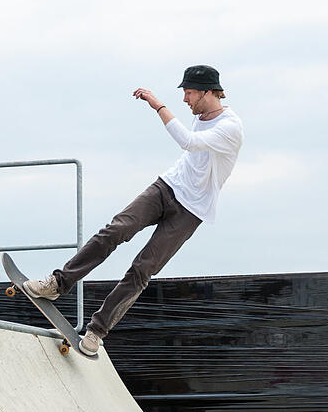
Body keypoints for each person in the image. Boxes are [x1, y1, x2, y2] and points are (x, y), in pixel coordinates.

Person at [23, 65, 243, 355]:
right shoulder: (200, 115)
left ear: (208, 92)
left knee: (143, 269)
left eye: (189, 93)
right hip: (166, 187)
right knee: (115, 230)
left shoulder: (230, 128)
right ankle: (57, 284)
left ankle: (96, 331)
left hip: (191, 211)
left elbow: (189, 142)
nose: (185, 99)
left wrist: (157, 104)